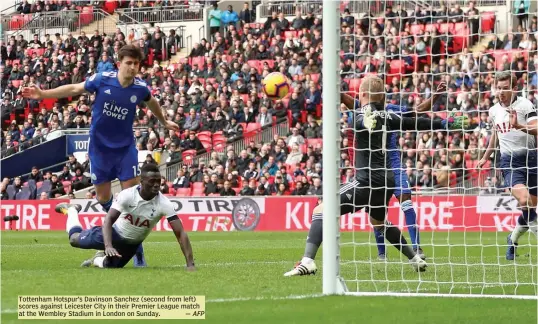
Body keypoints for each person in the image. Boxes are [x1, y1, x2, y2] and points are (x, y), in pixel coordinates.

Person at [284, 76, 469, 276]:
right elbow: (414, 120)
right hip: (387, 181)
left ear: (362, 94)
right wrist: (444, 123)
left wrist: (334, 91)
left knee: (321, 210)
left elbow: (361, 114)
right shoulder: (389, 115)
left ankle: (307, 260)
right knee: (379, 223)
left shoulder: (359, 114)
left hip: (366, 181)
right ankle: (414, 258)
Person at [21, 44, 179, 267]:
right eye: (129, 63)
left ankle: (138, 251)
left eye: (136, 64)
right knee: (104, 198)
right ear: (119, 63)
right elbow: (75, 89)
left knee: (133, 200)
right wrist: (43, 94)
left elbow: (151, 101)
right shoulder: (103, 79)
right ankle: (115, 233)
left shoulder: (140, 88)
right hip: (99, 150)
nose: (133, 67)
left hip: (125, 150)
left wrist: (163, 121)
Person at [341, 82, 447, 260]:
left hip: (393, 163)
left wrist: (435, 97)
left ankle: (417, 248)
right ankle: (382, 254)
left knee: (405, 200)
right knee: (375, 209)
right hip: (372, 167)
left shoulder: (391, 109)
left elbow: (416, 111)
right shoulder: (363, 107)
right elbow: (348, 100)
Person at [55, 163, 195, 270]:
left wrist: (190, 264)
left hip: (131, 245)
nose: (156, 184)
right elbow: (109, 220)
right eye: (152, 181)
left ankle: (97, 258)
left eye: (158, 180)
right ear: (142, 181)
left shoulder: (164, 203)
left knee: (111, 267)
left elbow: (180, 233)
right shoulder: (128, 195)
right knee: (74, 240)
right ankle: (72, 211)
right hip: (114, 234)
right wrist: (108, 245)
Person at [478, 71, 538, 260]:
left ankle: (511, 240)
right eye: (498, 88)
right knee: (525, 201)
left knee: (529, 209)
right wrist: (485, 157)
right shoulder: (494, 110)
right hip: (509, 162)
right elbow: (496, 136)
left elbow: (536, 128)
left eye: (505, 88)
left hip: (531, 160)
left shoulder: (525, 105)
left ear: (514, 88)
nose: (501, 92)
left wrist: (519, 126)